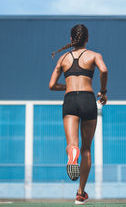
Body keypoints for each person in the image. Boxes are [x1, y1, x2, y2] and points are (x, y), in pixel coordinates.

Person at [49, 24, 108, 205]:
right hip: (88, 99)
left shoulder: (63, 58)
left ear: (71, 39)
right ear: (87, 39)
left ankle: (71, 155)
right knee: (87, 149)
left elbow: (52, 85)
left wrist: (68, 86)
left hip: (70, 101)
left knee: (72, 144)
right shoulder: (94, 55)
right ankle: (81, 192)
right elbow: (104, 70)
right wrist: (103, 91)